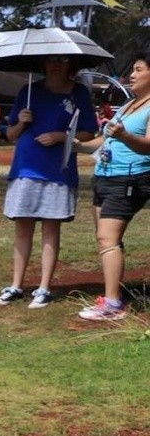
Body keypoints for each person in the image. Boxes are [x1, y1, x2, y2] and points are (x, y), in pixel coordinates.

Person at [0, 56, 99, 310]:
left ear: (70, 65)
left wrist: (61, 136)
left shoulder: (79, 93)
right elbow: (10, 135)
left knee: (51, 227)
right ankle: (16, 286)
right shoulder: (28, 91)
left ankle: (44, 288)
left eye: (62, 60)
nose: (56, 65)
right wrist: (22, 121)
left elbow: (88, 133)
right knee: (22, 226)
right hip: (25, 167)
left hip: (57, 169)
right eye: (51, 61)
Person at [82, 48, 150, 321]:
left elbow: (148, 146)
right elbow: (106, 140)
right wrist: (77, 145)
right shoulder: (127, 105)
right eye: (132, 70)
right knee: (107, 238)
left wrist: (123, 135)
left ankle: (113, 304)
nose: (131, 75)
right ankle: (113, 294)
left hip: (130, 178)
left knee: (107, 238)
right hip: (106, 176)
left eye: (138, 70)